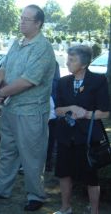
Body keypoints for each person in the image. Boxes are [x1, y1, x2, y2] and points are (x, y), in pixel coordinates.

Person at [0, 5, 56, 212]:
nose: (21, 21)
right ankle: (1, 188)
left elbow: (28, 81)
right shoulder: (17, 42)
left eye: (26, 19)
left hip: (31, 111)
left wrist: (1, 93)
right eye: (21, 18)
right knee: (7, 150)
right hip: (11, 109)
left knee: (32, 154)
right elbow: (4, 67)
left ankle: (35, 195)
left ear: (38, 23)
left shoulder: (43, 48)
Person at [53, 45, 109, 214]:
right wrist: (71, 107)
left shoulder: (98, 81)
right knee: (63, 173)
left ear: (84, 64)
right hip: (65, 136)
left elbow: (105, 112)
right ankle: (65, 208)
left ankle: (94, 211)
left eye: (72, 60)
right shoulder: (63, 82)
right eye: (68, 59)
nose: (67, 62)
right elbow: (57, 110)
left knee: (91, 177)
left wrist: (84, 113)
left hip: (87, 138)